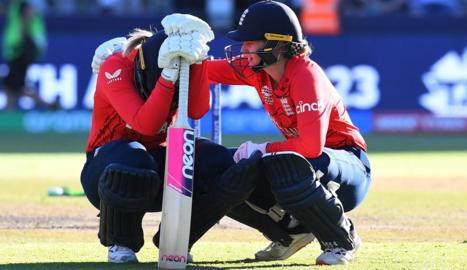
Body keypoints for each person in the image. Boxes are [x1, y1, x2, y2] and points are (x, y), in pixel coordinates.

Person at [91, 2, 372, 265]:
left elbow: (311, 147)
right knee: (232, 173)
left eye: (251, 42)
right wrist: (129, 57)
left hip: (347, 165)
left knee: (288, 164)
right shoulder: (257, 71)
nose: (244, 48)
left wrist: (262, 149)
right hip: (305, 163)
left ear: (277, 43)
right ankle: (290, 232)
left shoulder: (305, 75)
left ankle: (342, 240)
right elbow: (197, 69)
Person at [83, 14, 263, 264]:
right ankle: (120, 241)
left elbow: (197, 110)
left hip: (159, 167)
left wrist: (197, 63)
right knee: (133, 158)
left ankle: (177, 239)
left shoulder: (185, 62)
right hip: (106, 171)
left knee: (223, 163)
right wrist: (168, 78)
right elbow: (147, 124)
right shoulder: (115, 66)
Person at [2, 0, 48, 110]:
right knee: (14, 84)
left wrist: (22, 37)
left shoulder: (25, 3)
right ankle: (9, 110)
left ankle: (9, 110)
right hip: (16, 50)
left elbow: (28, 14)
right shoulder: (15, 4)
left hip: (21, 50)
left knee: (12, 83)